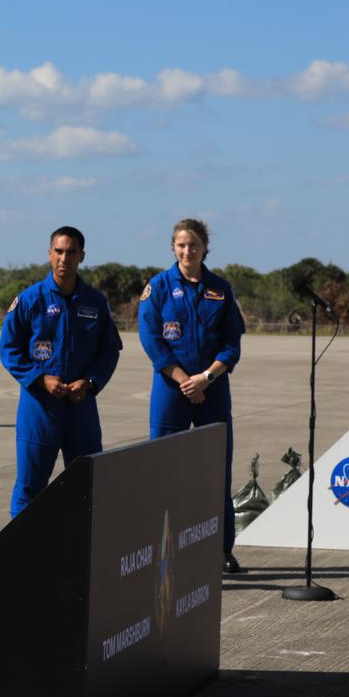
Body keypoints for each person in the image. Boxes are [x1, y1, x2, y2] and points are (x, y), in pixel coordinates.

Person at [137, 218, 246, 574]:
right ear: (173, 247)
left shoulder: (221, 289)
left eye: (194, 244)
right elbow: (152, 339)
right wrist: (185, 379)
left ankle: (221, 550)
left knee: (216, 473)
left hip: (212, 390)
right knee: (162, 472)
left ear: (205, 248)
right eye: (182, 245)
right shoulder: (158, 287)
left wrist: (206, 378)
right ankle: (161, 550)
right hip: (170, 390)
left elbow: (232, 344)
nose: (188, 251)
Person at [0, 227, 122, 517]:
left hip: (81, 408)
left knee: (88, 487)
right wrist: (40, 379)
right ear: (49, 253)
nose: (64, 257)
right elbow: (9, 349)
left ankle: (80, 560)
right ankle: (26, 558)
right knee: (29, 489)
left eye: (71, 252)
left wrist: (91, 382)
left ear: (82, 256)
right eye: (58, 251)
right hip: (39, 408)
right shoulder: (30, 300)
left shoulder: (95, 302)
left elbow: (109, 350)